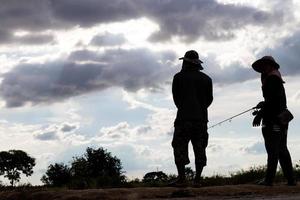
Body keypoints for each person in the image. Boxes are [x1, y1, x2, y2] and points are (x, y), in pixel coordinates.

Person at [252, 56, 296, 186]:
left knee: (273, 149)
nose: (262, 69)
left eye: (264, 65)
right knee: (282, 149)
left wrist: (259, 114)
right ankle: (291, 180)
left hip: (273, 119)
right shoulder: (275, 77)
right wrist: (263, 104)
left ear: (270, 66)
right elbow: (274, 99)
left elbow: (272, 101)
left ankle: (269, 180)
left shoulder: (271, 79)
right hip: (281, 118)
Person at [171, 50, 213, 186]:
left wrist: (185, 107)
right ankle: (197, 180)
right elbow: (209, 100)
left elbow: (176, 99)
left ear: (185, 62)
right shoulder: (207, 79)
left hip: (183, 118)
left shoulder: (178, 77)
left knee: (179, 147)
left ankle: (182, 179)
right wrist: (200, 109)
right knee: (200, 148)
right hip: (201, 119)